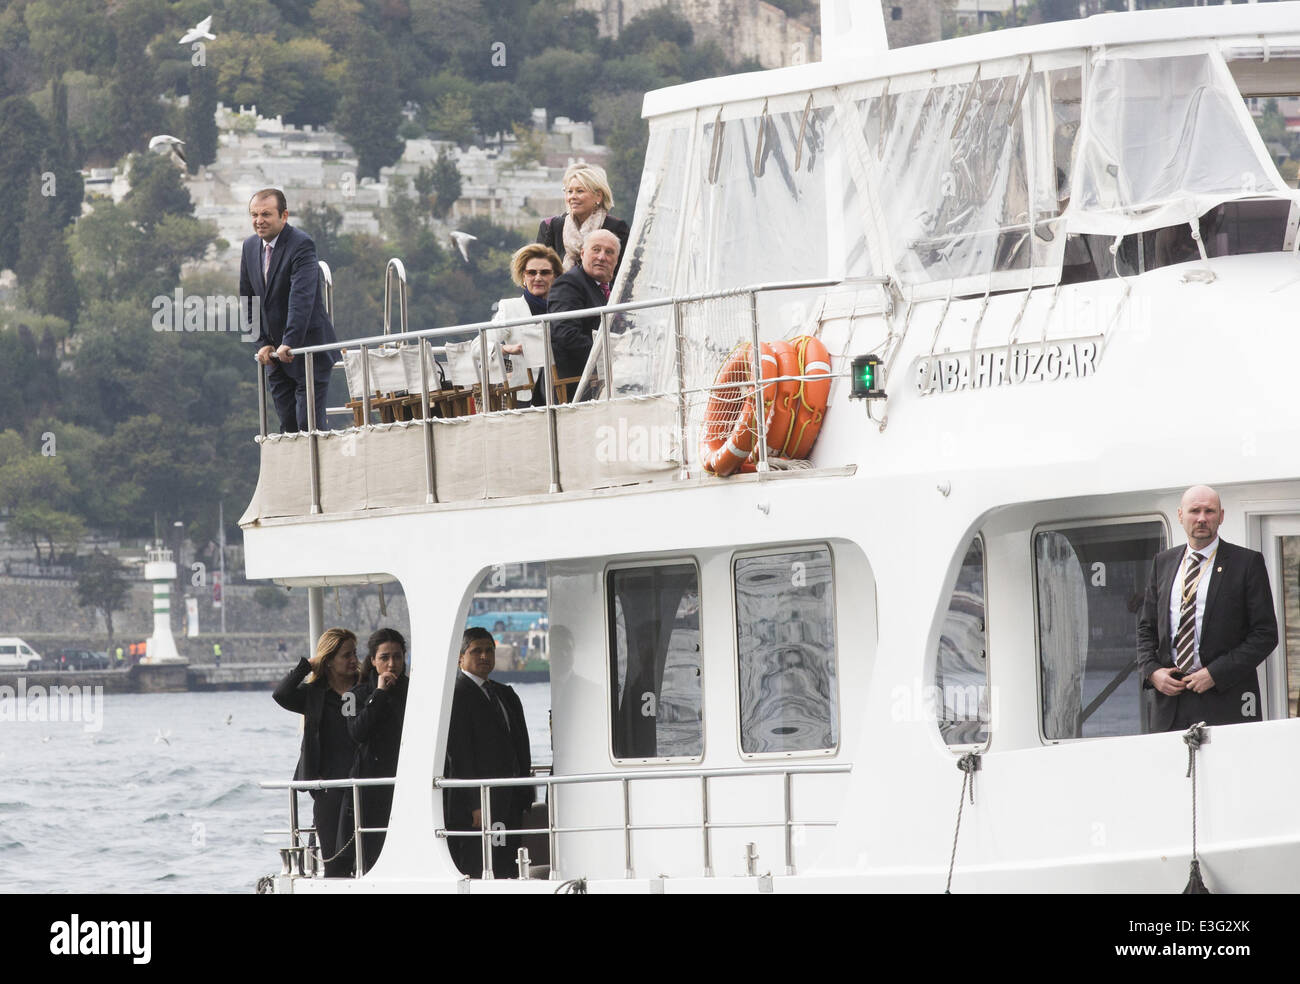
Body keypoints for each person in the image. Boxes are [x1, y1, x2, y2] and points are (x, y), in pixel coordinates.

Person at [1137, 485, 1278, 732]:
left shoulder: (1247, 563)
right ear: (1181, 515)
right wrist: (1153, 673)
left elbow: (1265, 635)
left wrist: (1215, 674)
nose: (1202, 518)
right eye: (1195, 511)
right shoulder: (1163, 563)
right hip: (1170, 704)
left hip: (1226, 701)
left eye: (1209, 511)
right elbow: (1146, 628)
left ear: (1221, 516)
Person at [240, 188, 339, 433]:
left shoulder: (301, 245)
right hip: (274, 357)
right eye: (254, 215)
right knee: (288, 427)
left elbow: (302, 297)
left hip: (306, 351)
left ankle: (320, 471)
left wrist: (290, 342)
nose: (259, 221)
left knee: (309, 426)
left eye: (266, 214)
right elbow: (247, 300)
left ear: (284, 216)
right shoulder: (250, 247)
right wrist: (261, 342)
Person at [444, 627, 533, 878]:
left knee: (508, 865)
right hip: (478, 805)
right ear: (461, 657)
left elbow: (520, 745)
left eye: (489, 650)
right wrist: (475, 804)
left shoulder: (505, 694)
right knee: (480, 866)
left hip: (510, 799)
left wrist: (524, 789)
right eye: (477, 651)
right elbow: (459, 755)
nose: (485, 656)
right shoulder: (455, 695)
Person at [272, 627, 359, 877]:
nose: (354, 660)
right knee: (334, 859)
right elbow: (281, 694)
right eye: (346, 655)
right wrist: (308, 665)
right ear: (329, 660)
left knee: (365, 854)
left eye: (355, 653)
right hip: (327, 786)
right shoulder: (314, 694)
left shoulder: (366, 688)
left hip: (362, 780)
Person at [344, 627, 409, 873]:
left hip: (405, 781)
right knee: (372, 852)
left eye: (397, 657)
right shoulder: (355, 695)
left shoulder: (415, 692)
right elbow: (357, 732)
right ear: (372, 660)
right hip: (372, 785)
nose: (392, 664)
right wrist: (380, 693)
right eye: (384, 657)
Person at [545, 229, 620, 399]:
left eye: (609, 252)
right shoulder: (569, 284)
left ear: (616, 260)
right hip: (580, 385)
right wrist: (609, 358)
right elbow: (566, 334)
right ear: (583, 253)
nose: (602, 257)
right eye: (596, 249)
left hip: (609, 379)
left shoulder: (612, 289)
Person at [536, 162, 629, 277]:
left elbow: (621, 272)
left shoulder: (616, 227)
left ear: (598, 196)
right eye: (569, 192)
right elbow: (539, 268)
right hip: (560, 292)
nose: (572, 197)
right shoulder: (554, 226)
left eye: (580, 191)